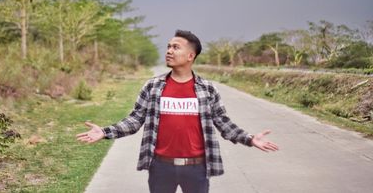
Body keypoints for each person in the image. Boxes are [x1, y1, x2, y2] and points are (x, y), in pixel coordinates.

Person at [76, 30, 279, 193]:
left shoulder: (207, 89)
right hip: (160, 166)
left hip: (197, 167)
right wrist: (105, 132)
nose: (169, 51)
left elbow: (223, 123)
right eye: (168, 47)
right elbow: (135, 119)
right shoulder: (153, 86)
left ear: (190, 56)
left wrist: (249, 138)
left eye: (176, 47)